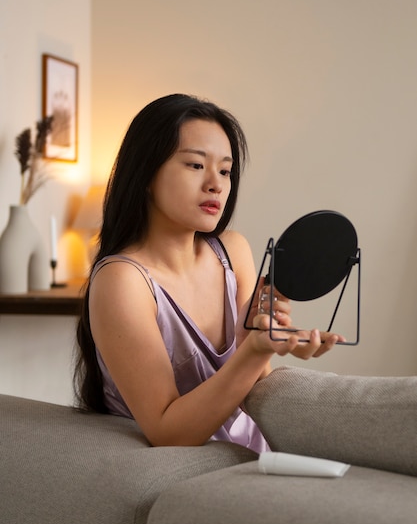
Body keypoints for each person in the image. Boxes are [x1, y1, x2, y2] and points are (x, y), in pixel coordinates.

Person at [74, 93, 342, 453]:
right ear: (146, 174)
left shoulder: (233, 250)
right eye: (196, 165)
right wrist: (254, 352)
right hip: (186, 473)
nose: (216, 183)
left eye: (226, 170)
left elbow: (253, 385)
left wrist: (269, 342)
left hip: (257, 453)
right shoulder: (122, 281)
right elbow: (168, 433)